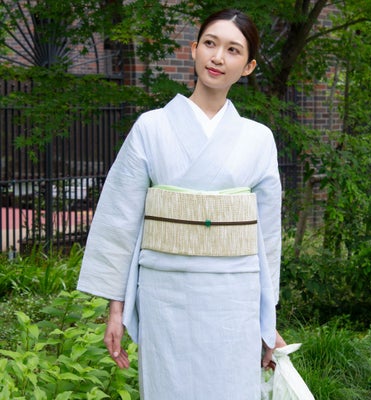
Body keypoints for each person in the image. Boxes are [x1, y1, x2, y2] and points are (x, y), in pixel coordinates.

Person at [77, 8, 285, 399]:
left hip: (233, 296)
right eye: (210, 44)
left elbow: (268, 238)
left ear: (249, 66)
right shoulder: (151, 127)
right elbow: (120, 219)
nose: (218, 57)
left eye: (233, 50)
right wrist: (116, 309)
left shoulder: (259, 139)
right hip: (166, 293)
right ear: (193, 49)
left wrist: (266, 318)